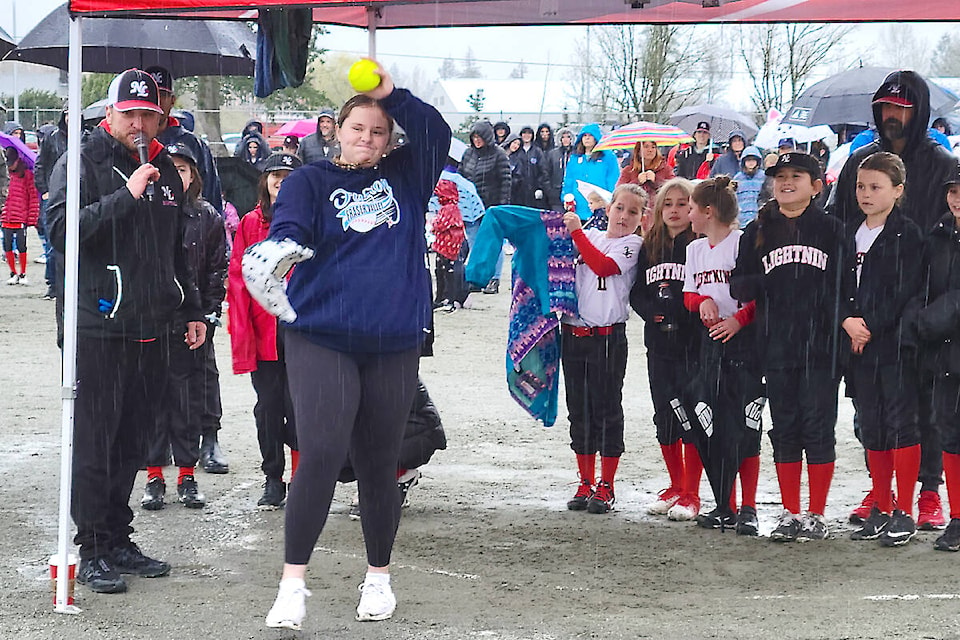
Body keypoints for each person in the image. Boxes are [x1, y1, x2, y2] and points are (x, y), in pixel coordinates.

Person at [240, 61, 450, 629]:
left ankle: (378, 577)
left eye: (379, 131)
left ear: (390, 139)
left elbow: (436, 133)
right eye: (358, 127)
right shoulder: (310, 180)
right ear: (336, 129)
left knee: (381, 462)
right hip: (322, 334)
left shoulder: (408, 174)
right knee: (322, 454)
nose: (368, 138)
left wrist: (391, 94)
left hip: (392, 337)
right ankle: (293, 584)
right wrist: (280, 250)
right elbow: (290, 227)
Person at [47, 68, 206, 594]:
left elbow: (176, 247)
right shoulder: (82, 160)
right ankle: (91, 547)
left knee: (134, 439)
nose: (139, 124)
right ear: (108, 113)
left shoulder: (163, 164)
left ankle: (117, 537)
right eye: (129, 114)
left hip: (152, 325)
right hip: (98, 326)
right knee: (97, 440)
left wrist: (192, 309)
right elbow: (64, 233)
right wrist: (126, 196)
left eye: (149, 114)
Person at [830, 70, 957, 529]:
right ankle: (880, 487)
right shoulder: (859, 161)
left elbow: (950, 229)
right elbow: (836, 226)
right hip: (864, 300)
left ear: (918, 110)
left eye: (901, 108)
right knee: (870, 407)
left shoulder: (942, 164)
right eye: (885, 107)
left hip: (925, 300)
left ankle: (926, 491)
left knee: (924, 406)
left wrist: (927, 305)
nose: (892, 116)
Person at [730, 152, 848, 543]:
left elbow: (844, 287)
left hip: (821, 345)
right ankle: (789, 512)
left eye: (797, 176)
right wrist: (762, 282)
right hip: (777, 344)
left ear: (816, 186)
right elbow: (739, 284)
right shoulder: (758, 229)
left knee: (817, 428)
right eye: (780, 176)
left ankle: (815, 513)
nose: (786, 182)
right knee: (784, 430)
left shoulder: (832, 229)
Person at [842, 152, 924, 547]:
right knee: (871, 425)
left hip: (893, 345)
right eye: (861, 186)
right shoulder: (847, 233)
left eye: (876, 187)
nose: (866, 194)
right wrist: (848, 320)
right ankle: (882, 505)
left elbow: (906, 290)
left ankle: (905, 510)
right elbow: (837, 286)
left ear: (898, 190)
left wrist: (870, 325)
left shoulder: (908, 234)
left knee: (900, 424)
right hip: (858, 348)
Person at [141, 142, 227, 511]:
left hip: (192, 321)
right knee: (154, 399)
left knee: (189, 399)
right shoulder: (147, 211)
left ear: (194, 175)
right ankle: (154, 476)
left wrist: (207, 312)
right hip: (152, 320)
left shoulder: (207, 215)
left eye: (184, 169)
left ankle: (187, 474)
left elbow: (215, 268)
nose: (177, 175)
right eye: (170, 168)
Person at [681, 176, 762, 534]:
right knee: (714, 422)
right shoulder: (694, 249)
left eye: (692, 208)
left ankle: (749, 506)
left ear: (708, 211)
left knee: (746, 424)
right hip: (711, 342)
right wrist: (703, 301)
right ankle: (723, 502)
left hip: (744, 342)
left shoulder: (743, 242)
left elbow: (761, 294)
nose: (688, 214)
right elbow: (689, 294)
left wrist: (740, 321)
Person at [561, 183, 645, 515]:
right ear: (608, 208)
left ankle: (606, 483)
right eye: (620, 207)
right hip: (574, 332)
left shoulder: (632, 245)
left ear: (641, 217)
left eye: (633, 211)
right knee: (578, 408)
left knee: (607, 408)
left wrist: (577, 233)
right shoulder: (592, 235)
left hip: (607, 336)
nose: (624, 216)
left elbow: (604, 267)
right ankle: (585, 480)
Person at [227, 152, 302, 510]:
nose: (281, 181)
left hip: (303, 328)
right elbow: (238, 280)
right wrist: (241, 331)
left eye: (289, 176)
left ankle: (301, 477)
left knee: (301, 406)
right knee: (268, 408)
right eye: (275, 175)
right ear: (265, 181)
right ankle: (273, 477)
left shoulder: (311, 219)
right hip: (264, 330)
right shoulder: (249, 223)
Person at [629, 178, 704, 521]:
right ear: (659, 210)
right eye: (668, 204)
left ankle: (692, 492)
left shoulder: (700, 245)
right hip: (659, 342)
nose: (675, 210)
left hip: (691, 344)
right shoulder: (651, 246)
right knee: (665, 417)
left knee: (691, 416)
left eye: (681, 203)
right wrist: (652, 312)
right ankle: (675, 485)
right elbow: (637, 293)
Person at [919, 161, 960, 551]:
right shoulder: (937, 236)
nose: (957, 198)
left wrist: (936, 315)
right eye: (953, 191)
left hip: (946, 337)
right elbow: (923, 285)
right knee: (950, 435)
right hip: (945, 355)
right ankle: (957, 517)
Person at [146, 66, 224, 214]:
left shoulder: (193, 145)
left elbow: (211, 196)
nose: (156, 100)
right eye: (150, 93)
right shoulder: (130, 141)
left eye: (162, 94)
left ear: (172, 100)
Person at [459, 120, 511, 295]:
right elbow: (461, 176)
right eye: (474, 136)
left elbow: (505, 181)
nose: (476, 140)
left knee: (494, 244)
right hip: (471, 207)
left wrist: (502, 206)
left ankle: (494, 279)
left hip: (491, 206)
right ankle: (477, 278)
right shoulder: (468, 154)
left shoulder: (499, 154)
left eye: (479, 136)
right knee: (475, 244)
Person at [33, 108, 69, 300]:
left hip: (78, 195)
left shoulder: (84, 138)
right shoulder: (52, 138)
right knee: (53, 242)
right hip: (54, 196)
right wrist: (45, 191)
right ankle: (53, 284)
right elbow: (40, 166)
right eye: (68, 114)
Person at [561, 124, 620, 222]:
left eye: (590, 135)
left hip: (600, 206)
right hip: (578, 207)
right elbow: (568, 180)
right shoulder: (574, 158)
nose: (587, 138)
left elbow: (613, 180)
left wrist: (611, 201)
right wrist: (566, 197)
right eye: (584, 135)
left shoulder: (608, 157)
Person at [2, 147, 39, 285]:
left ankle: (23, 273)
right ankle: (13, 272)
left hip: (20, 218)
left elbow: (33, 198)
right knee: (7, 246)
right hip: (6, 217)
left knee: (21, 246)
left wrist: (32, 218)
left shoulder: (27, 175)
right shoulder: (5, 176)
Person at [616, 140, 675, 227]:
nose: (650, 150)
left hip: (658, 215)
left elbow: (673, 189)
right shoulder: (628, 170)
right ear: (638, 151)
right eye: (646, 147)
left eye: (653, 147)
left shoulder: (666, 169)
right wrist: (636, 182)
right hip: (635, 215)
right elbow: (619, 192)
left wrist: (656, 181)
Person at [733, 146, 765, 228]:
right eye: (748, 160)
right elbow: (733, 198)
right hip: (741, 220)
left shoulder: (763, 176)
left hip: (759, 219)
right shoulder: (737, 178)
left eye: (753, 160)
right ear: (743, 162)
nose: (751, 163)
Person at [545, 127, 574, 210]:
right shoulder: (552, 154)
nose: (565, 140)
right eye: (563, 137)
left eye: (568, 137)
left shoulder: (576, 154)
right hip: (555, 193)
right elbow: (546, 173)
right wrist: (549, 190)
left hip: (572, 192)